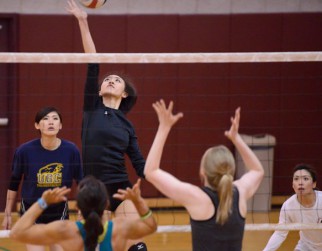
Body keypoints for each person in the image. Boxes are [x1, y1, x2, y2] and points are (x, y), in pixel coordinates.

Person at [66, 1, 147, 250]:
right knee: (89, 245)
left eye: (117, 80)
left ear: (124, 94)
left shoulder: (127, 125)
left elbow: (140, 164)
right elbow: (93, 61)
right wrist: (82, 20)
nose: (111, 81)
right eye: (107, 80)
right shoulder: (91, 107)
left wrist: (168, 183)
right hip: (91, 189)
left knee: (137, 246)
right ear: (99, 90)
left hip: (120, 187)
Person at [144, 99, 265, 251]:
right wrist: (236, 138)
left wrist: (164, 127)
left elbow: (150, 171)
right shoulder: (240, 192)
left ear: (202, 171)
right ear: (231, 170)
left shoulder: (197, 198)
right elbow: (258, 170)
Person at [2, 106, 83, 251]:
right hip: (31, 211)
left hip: (58, 212)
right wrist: (8, 212)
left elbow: (81, 182)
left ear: (60, 125)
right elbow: (14, 183)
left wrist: (83, 208)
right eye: (45, 119)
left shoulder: (71, 150)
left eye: (55, 119)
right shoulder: (24, 151)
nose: (50, 122)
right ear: (37, 125)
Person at [10, 175, 157, 251]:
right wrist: (138, 201)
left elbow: (16, 233)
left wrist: (43, 202)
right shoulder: (119, 228)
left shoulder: (66, 230)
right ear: (106, 204)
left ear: (77, 207)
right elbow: (151, 226)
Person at [263, 164, 322, 251]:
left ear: (314, 184)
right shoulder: (289, 206)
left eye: (305, 179)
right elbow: (280, 233)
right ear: (293, 185)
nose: (300, 182)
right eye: (296, 179)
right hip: (306, 246)